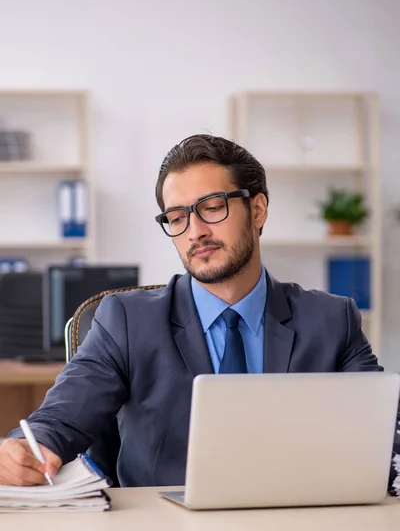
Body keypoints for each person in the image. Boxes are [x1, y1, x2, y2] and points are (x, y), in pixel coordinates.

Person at [0, 134, 393, 487]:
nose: (194, 231)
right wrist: (22, 448)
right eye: (177, 217)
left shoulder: (331, 319)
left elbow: (383, 432)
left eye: (211, 207)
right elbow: (62, 417)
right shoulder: (125, 320)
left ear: (257, 211)